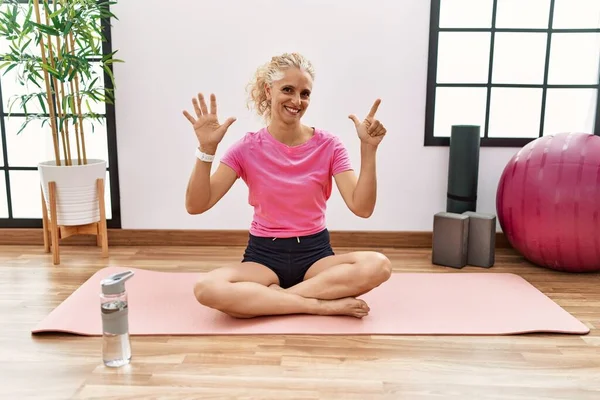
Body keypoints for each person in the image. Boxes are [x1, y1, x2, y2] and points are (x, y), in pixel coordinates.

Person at [183, 52, 391, 319]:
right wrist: (206, 148)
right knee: (206, 288)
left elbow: (362, 208)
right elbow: (196, 205)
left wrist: (368, 149)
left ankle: (268, 300)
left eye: (304, 94)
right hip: (263, 257)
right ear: (268, 91)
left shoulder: (329, 145)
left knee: (378, 265)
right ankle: (317, 303)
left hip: (316, 255)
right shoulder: (246, 148)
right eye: (288, 90)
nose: (296, 101)